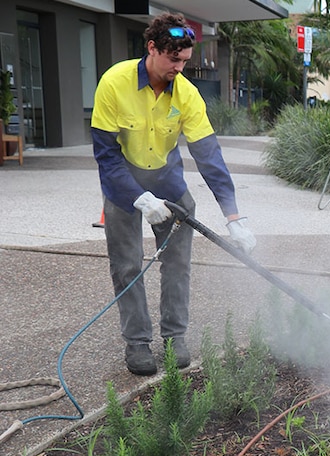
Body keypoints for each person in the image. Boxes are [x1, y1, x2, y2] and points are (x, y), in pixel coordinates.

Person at [91, 12, 256, 376]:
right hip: (122, 184)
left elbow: (209, 157)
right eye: (173, 59)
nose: (179, 68)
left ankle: (174, 337)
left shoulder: (187, 94)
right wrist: (137, 197)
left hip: (168, 182)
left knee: (178, 264)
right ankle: (137, 343)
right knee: (128, 265)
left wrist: (233, 217)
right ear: (152, 48)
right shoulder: (114, 83)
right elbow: (106, 154)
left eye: (184, 60)